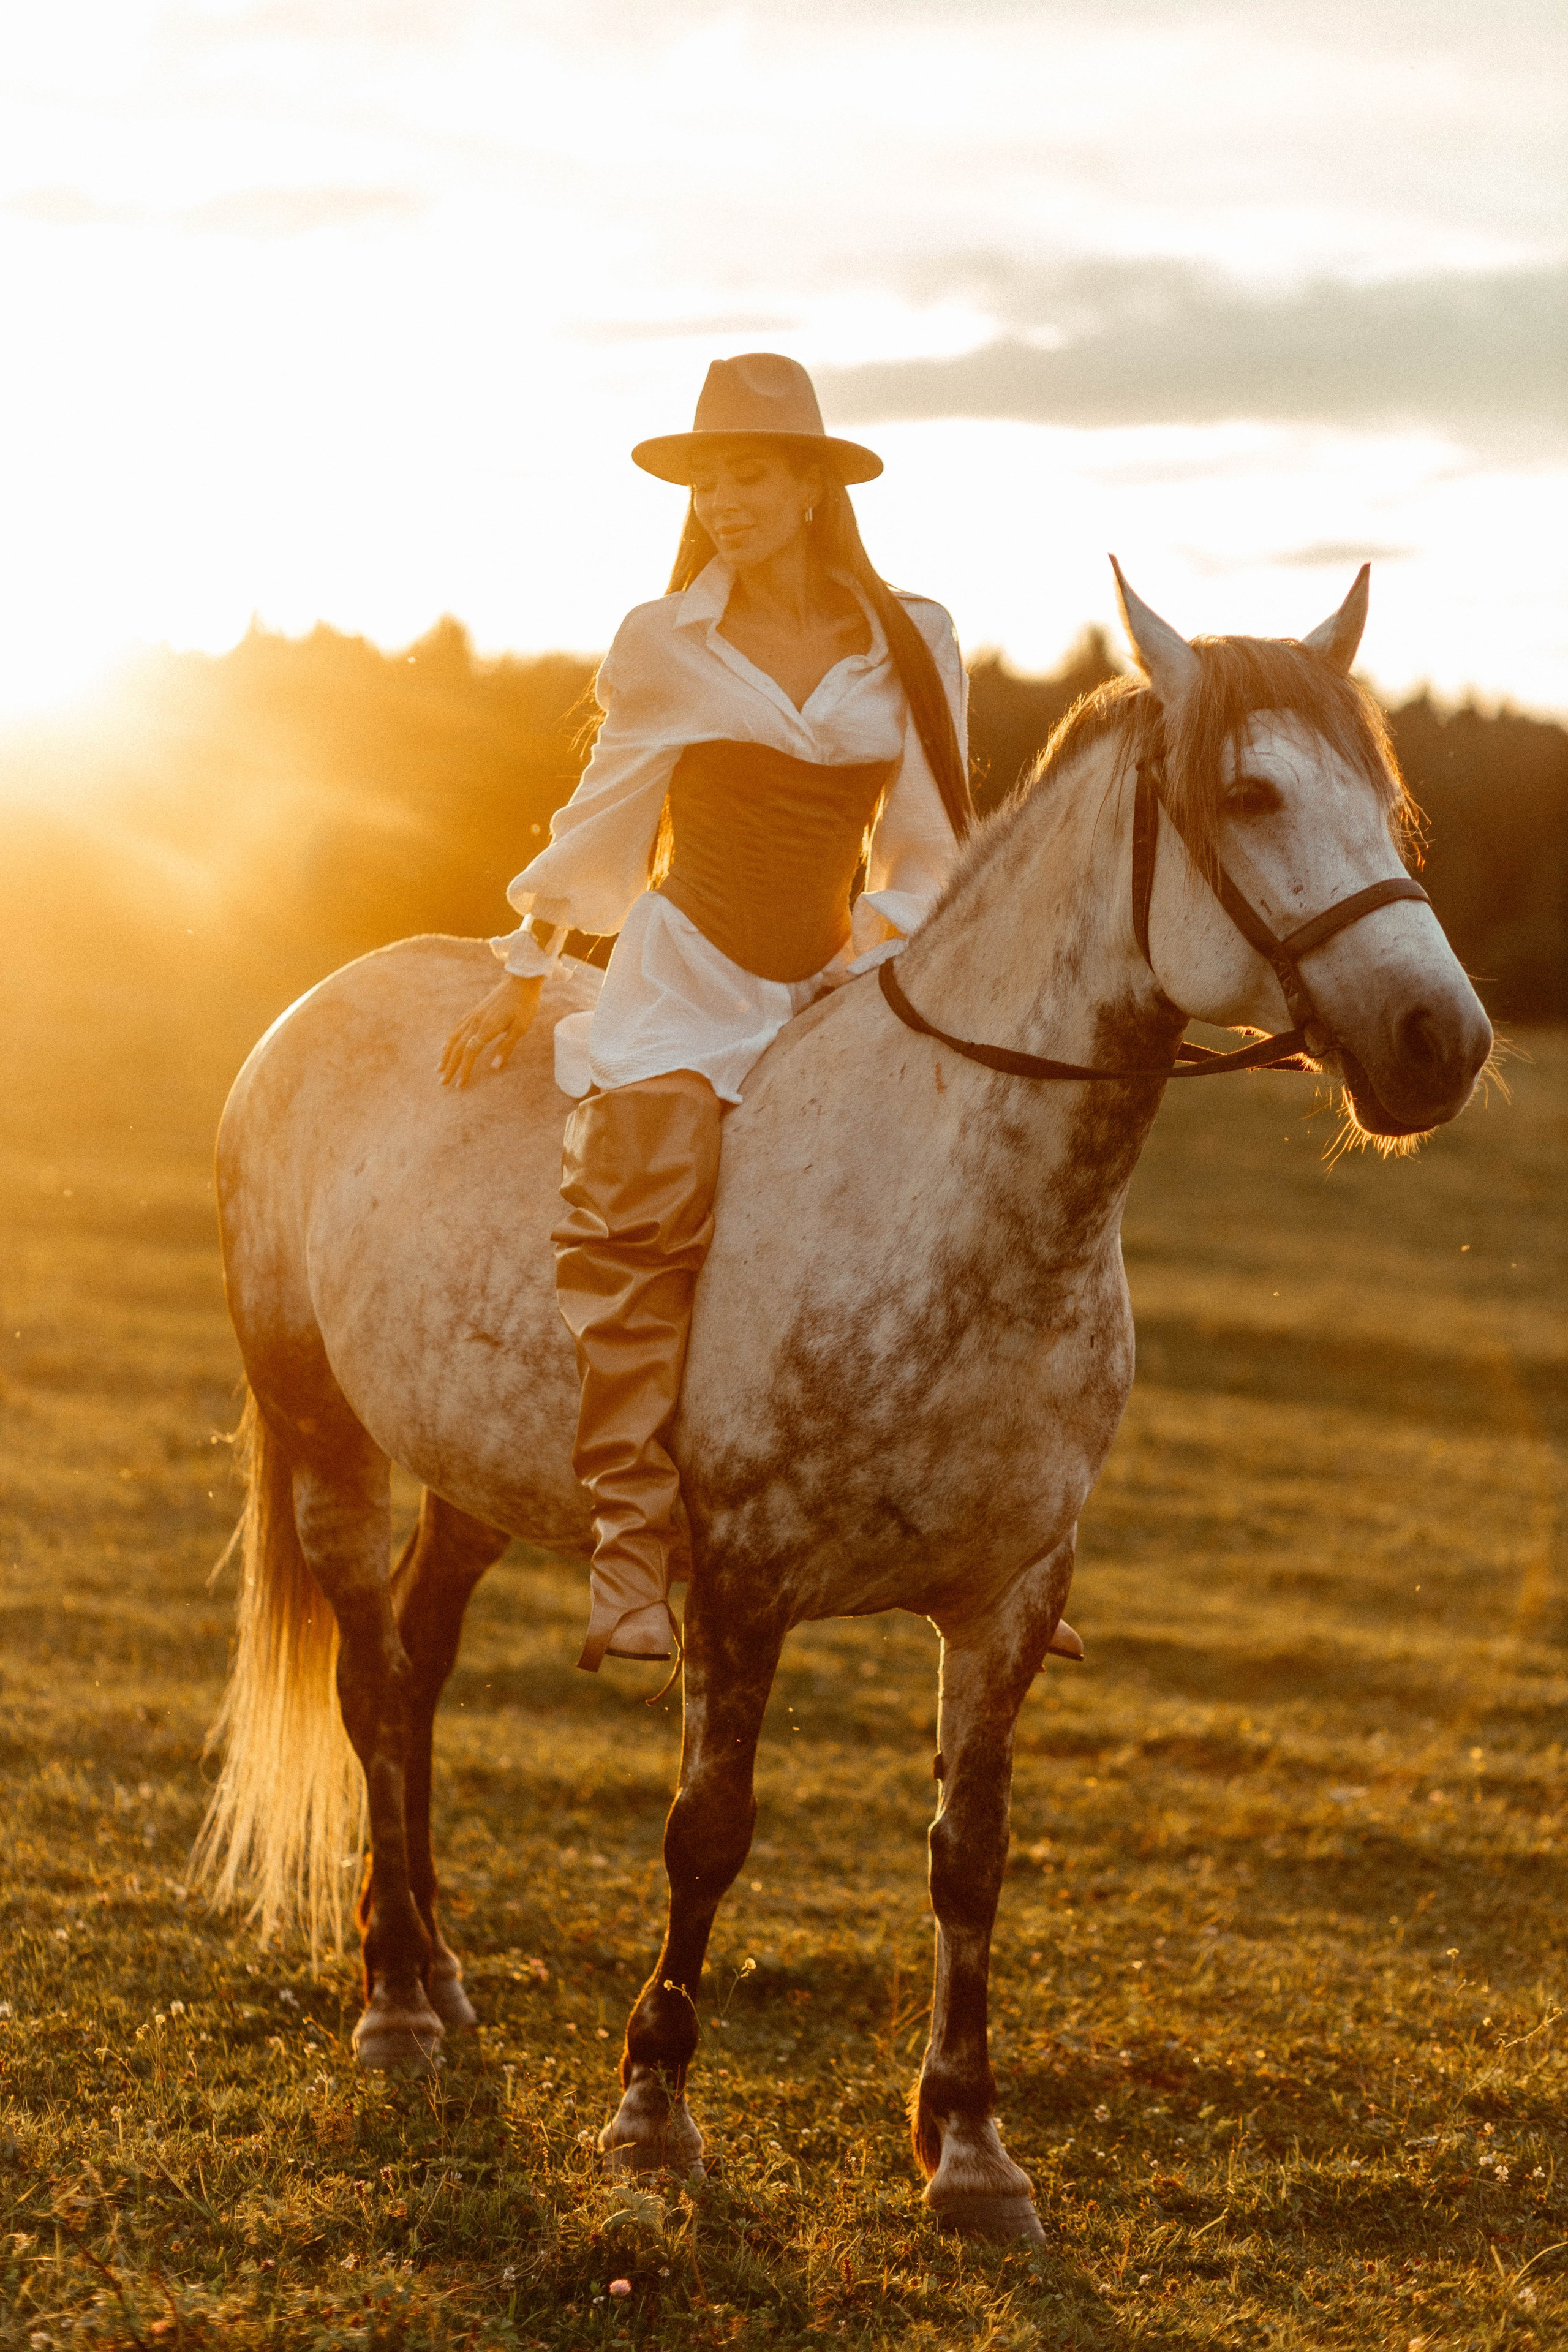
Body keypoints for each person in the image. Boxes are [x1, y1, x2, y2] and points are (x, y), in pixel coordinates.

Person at [442, 352, 1079, 1677]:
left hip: (833, 978)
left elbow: (929, 837)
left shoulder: (913, 637)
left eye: (748, 475)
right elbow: (609, 812)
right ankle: (628, 1544)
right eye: (706, 478)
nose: (723, 499)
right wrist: (529, 957)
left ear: (808, 489)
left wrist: (875, 959)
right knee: (645, 1196)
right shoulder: (663, 640)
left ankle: (996, 1534)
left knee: (965, 1197)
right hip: (685, 976)